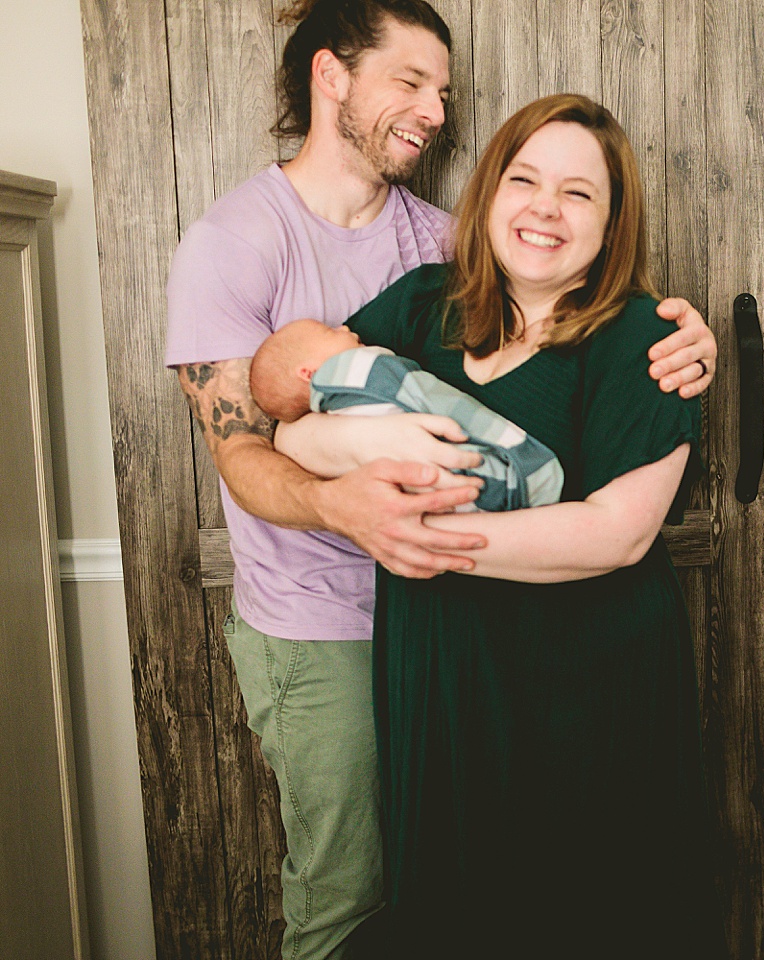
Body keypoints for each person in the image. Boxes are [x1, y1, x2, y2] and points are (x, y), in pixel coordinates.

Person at [163, 2, 717, 956]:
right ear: (332, 75)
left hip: (540, 662)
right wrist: (348, 495)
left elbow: (617, 518)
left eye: (445, 92)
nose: (433, 109)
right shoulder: (250, 245)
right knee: (359, 899)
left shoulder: (456, 248)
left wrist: (687, 341)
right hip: (341, 630)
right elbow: (257, 446)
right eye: (411, 82)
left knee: (580, 905)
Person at [250, 319, 564, 511]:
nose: (344, 327)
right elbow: (435, 398)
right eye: (328, 331)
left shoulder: (336, 409)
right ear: (309, 373)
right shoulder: (361, 371)